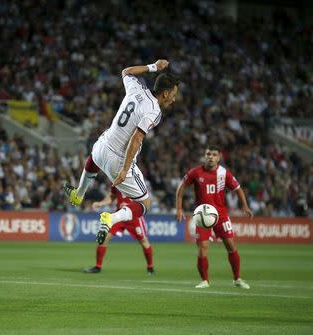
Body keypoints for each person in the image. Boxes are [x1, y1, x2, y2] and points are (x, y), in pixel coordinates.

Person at [64, 59, 179, 244]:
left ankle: (79, 194)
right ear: (165, 93)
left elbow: (126, 71)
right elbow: (136, 138)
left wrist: (153, 67)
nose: (174, 99)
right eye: (173, 95)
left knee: (94, 160)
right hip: (118, 159)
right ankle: (111, 218)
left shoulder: (137, 89)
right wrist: (125, 169)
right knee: (145, 204)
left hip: (102, 145)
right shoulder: (154, 111)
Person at [175, 145, 253, 289]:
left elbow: (238, 189)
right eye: (208, 154)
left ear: (219, 157)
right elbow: (181, 188)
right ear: (205, 156)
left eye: (214, 154)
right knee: (203, 247)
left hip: (221, 215)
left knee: (231, 245)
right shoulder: (195, 172)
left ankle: (237, 279)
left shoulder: (224, 173)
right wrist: (179, 209)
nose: (211, 157)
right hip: (203, 217)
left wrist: (245, 206)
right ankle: (205, 280)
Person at [84, 186, 154, 275]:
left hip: (134, 215)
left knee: (143, 241)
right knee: (104, 238)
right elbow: (112, 197)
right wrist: (101, 203)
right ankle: (98, 267)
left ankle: (150, 268)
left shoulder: (132, 179)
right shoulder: (114, 180)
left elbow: (144, 198)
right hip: (119, 215)